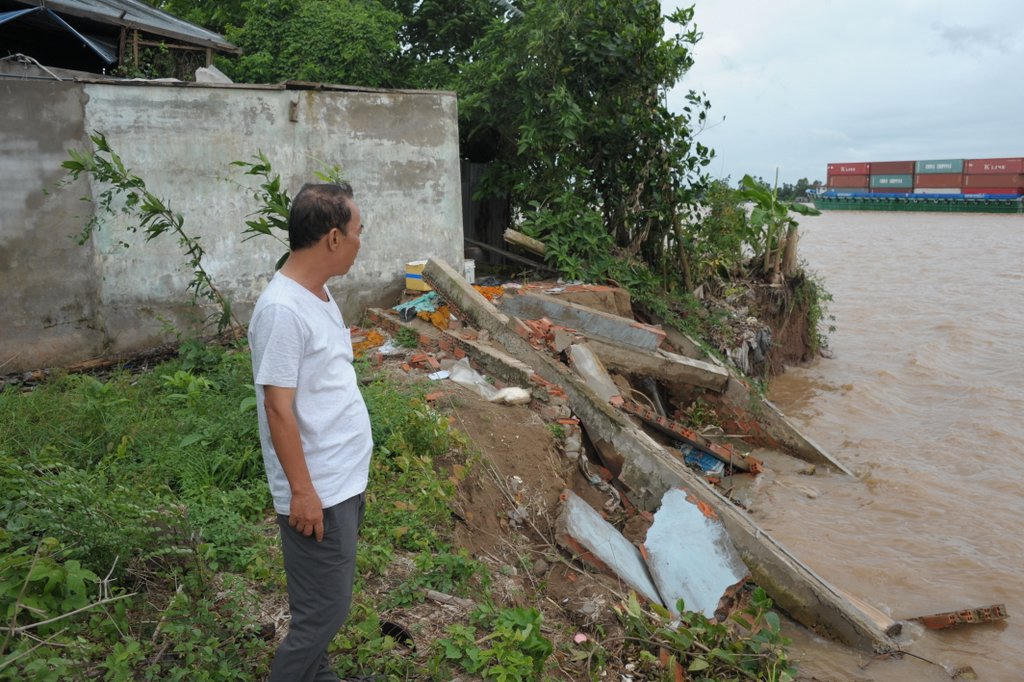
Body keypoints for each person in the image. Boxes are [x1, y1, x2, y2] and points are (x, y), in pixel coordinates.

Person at [248, 182, 372, 681]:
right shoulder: (282, 310)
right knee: (324, 613)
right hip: (317, 488)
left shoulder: (317, 293)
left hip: (341, 479)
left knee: (324, 606)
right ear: (334, 239)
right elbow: (278, 408)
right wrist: (302, 492)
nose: (364, 241)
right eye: (359, 231)